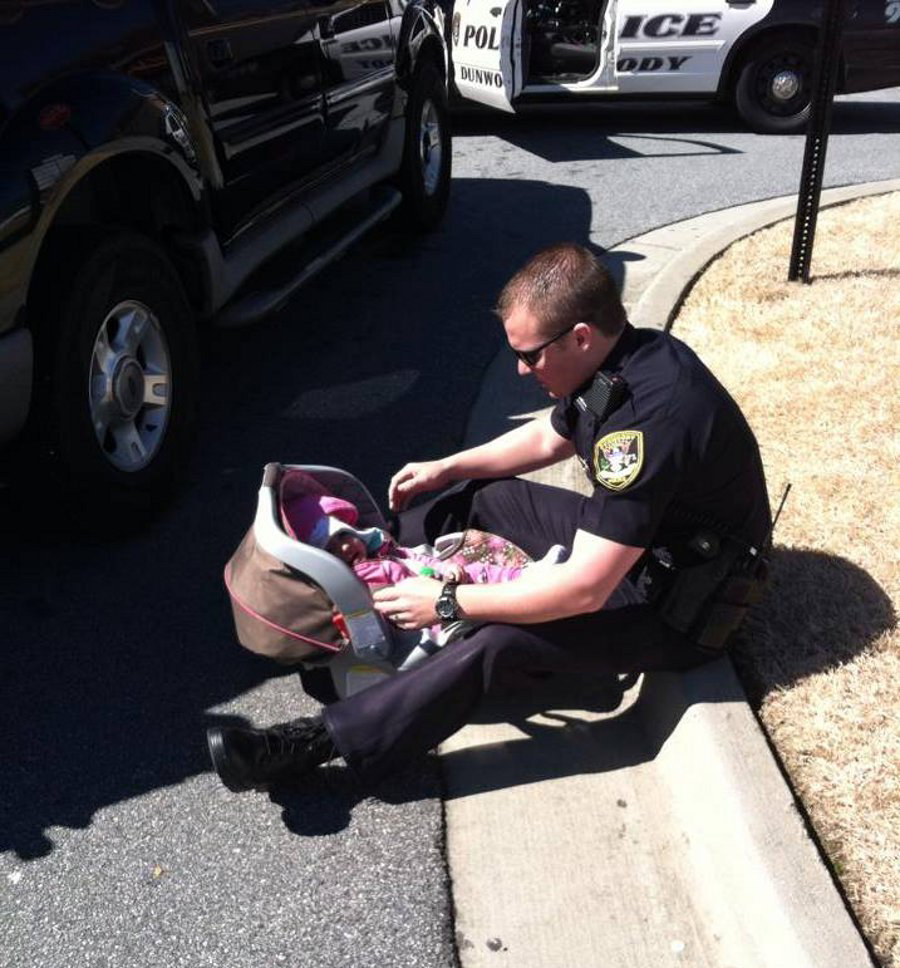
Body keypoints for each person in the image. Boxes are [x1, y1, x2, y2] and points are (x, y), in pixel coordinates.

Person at [206, 242, 771, 794]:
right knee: (487, 498)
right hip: (644, 548)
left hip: (677, 608)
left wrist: (449, 603)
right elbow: (552, 435)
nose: (522, 371)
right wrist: (447, 468)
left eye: (530, 356)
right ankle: (360, 585)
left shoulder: (650, 422)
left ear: (580, 336)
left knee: (501, 642)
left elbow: (583, 591)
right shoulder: (621, 359)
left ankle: (312, 744)